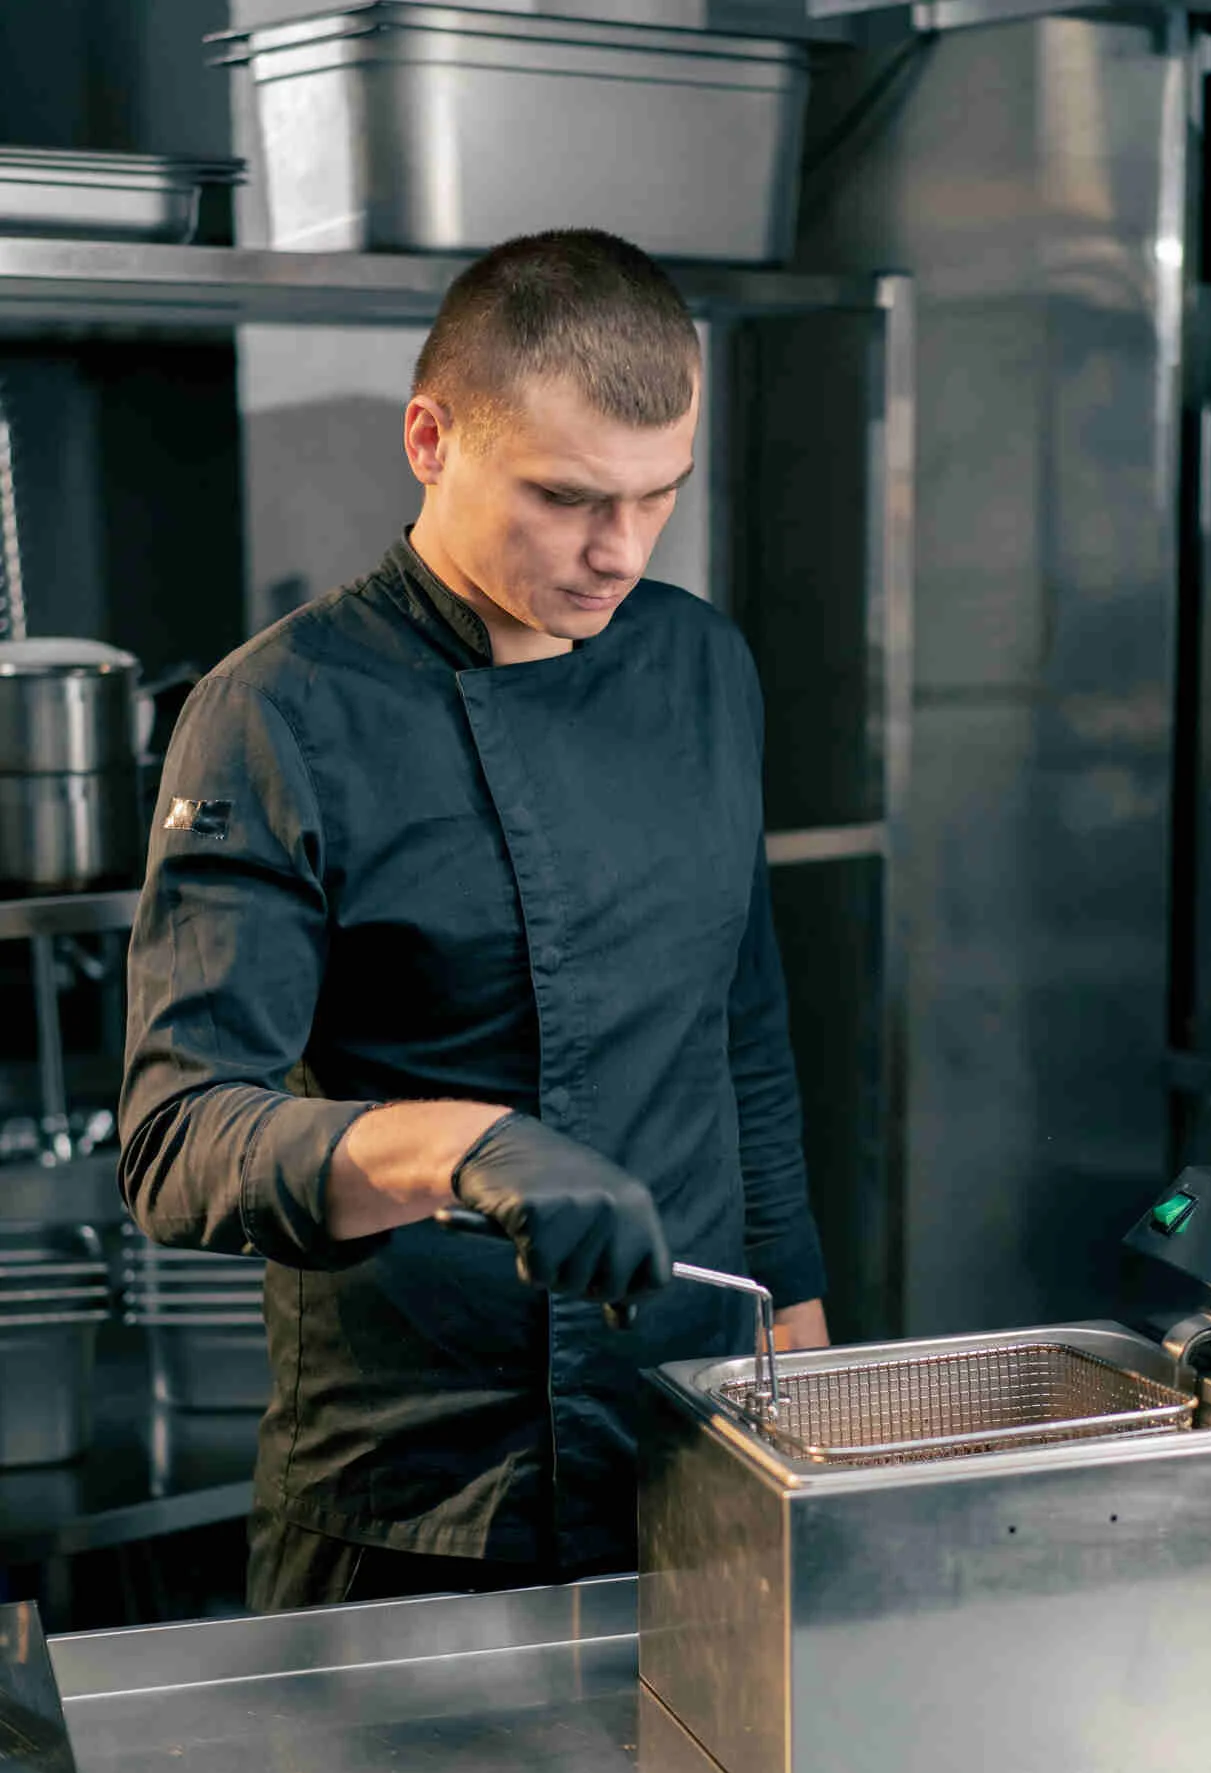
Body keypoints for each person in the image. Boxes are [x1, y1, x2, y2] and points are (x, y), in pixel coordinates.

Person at [119, 228, 828, 1613]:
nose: (615, 554)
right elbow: (175, 1138)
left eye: (656, 497)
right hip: (410, 1497)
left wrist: (788, 1304)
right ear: (431, 439)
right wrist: (454, 1146)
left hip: (684, 1448)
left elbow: (738, 1017)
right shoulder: (278, 713)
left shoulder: (701, 666)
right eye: (566, 499)